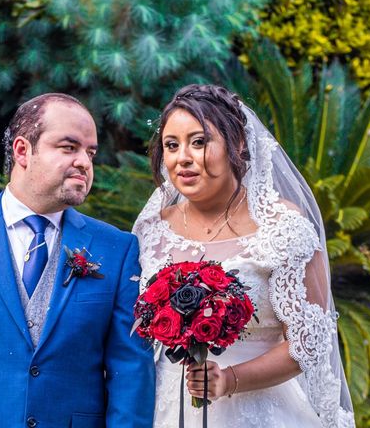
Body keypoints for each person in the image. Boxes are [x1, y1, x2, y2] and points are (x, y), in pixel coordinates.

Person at [0, 93, 155, 428]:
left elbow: (130, 372)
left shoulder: (117, 250)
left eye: (90, 152)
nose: (84, 162)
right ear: (23, 151)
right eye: (69, 147)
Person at [133, 84, 355, 427]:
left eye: (199, 142)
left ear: (237, 143)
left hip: (260, 409)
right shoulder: (151, 229)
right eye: (172, 146)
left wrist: (230, 379)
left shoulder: (284, 228)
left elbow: (308, 342)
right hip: (166, 407)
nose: (183, 158)